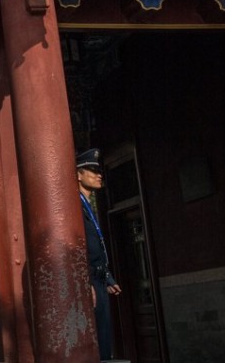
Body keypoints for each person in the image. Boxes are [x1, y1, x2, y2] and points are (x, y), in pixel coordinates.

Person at [77, 148, 122, 361]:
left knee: (104, 335)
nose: (99, 174)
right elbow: (78, 245)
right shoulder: (74, 206)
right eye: (92, 170)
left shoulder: (88, 206)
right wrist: (85, 281)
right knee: (94, 336)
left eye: (99, 170)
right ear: (78, 174)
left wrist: (109, 277)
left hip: (100, 278)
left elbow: (95, 247)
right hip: (89, 280)